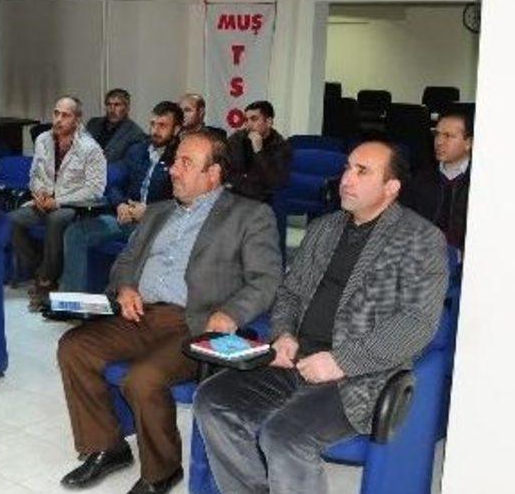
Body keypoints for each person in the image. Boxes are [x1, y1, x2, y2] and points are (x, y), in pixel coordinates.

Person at [194, 141, 447, 494]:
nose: (346, 179)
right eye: (347, 168)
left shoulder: (421, 239)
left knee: (283, 436)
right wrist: (284, 334)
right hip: (296, 359)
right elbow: (289, 293)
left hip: (359, 375)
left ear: (391, 187)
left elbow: (416, 323)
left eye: (362, 172)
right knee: (212, 401)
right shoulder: (323, 229)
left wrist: (341, 361)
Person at [56, 131, 282, 494]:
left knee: (142, 378)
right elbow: (125, 262)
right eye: (175, 161)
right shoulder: (158, 212)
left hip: (195, 324)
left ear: (213, 174)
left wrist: (231, 314)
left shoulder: (250, 215)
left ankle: (161, 471)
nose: (173, 170)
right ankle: (107, 447)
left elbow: (267, 279)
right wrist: (126, 288)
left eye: (185, 163)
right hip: (139, 314)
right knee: (74, 347)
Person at [59, 101, 181, 294]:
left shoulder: (181, 158)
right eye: (152, 124)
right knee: (75, 233)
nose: (155, 131)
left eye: (162, 126)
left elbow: (183, 201)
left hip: (156, 225)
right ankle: (72, 299)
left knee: (136, 241)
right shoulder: (137, 150)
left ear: (176, 129)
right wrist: (120, 204)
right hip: (126, 218)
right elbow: (113, 183)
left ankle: (119, 299)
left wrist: (149, 211)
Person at [11, 96, 106, 310]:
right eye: (56, 113)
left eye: (65, 115)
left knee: (56, 219)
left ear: (77, 119)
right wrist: (38, 193)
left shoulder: (90, 148)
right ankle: (43, 272)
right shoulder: (42, 140)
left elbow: (95, 189)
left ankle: (46, 281)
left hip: (73, 206)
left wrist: (58, 201)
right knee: (11, 221)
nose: (58, 119)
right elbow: (34, 174)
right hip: (44, 201)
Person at [402, 109, 473, 249]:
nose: (439, 142)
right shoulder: (419, 179)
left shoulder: (480, 182)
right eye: (437, 134)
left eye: (448, 136)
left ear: (468, 143)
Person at [227, 100, 292, 203]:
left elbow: (275, 182)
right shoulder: (237, 139)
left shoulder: (281, 147)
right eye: (246, 120)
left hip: (262, 200)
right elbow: (227, 169)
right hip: (236, 193)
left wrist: (259, 151)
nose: (248, 125)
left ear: (269, 122)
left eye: (254, 119)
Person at [86, 88, 147, 163]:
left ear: (127, 108)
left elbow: (130, 164)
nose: (112, 110)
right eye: (109, 105)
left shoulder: (135, 134)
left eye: (117, 105)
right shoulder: (93, 124)